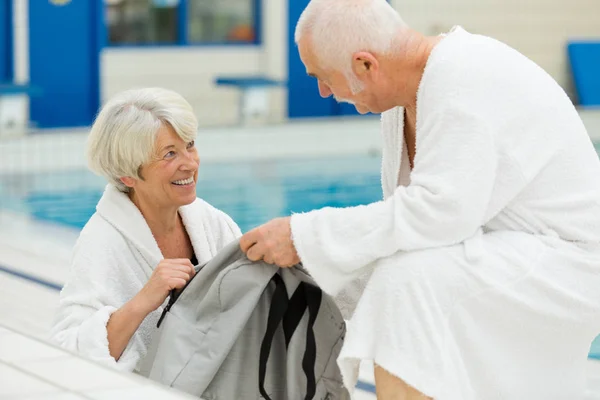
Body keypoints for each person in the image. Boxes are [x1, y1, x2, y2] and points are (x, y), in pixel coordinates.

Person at [239, 0, 600, 399]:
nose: (324, 91)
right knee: (355, 278)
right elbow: (415, 226)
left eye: (323, 78)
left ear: (365, 65)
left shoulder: (464, 77)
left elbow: (441, 215)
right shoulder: (408, 97)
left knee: (406, 282)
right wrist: (312, 254)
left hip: (571, 264)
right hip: (513, 249)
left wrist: (305, 233)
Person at [50, 88, 242, 372]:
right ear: (128, 174)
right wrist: (143, 301)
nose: (189, 163)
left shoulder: (211, 222)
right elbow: (69, 351)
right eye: (169, 154)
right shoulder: (102, 243)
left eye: (189, 145)